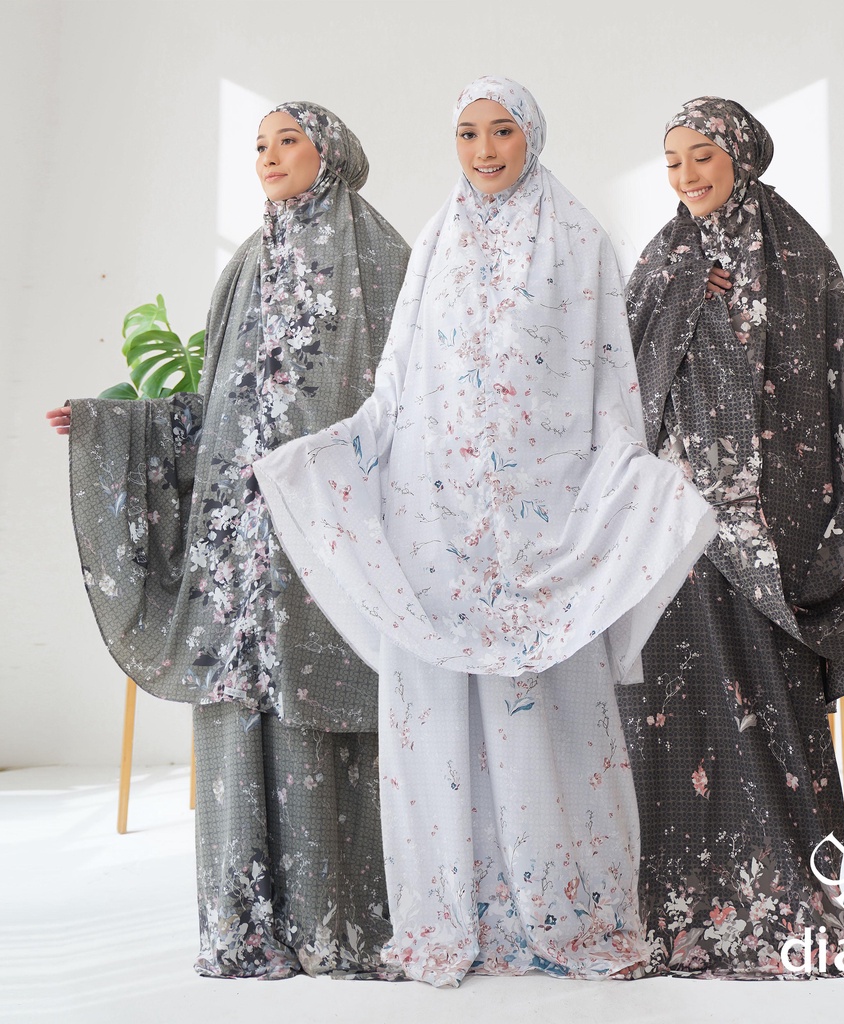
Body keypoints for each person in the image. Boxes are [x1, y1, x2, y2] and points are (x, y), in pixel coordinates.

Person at [252, 77, 717, 987]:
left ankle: (563, 911)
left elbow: (608, 382)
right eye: (468, 134)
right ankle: (450, 912)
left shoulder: (579, 239)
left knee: (547, 712)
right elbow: (398, 381)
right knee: (438, 711)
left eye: (502, 131)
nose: (484, 151)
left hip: (545, 526)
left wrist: (629, 480)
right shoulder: (436, 239)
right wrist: (336, 450)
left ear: (531, 136)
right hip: (436, 517)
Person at [616, 96, 844, 978]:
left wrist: (809, 505)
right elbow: (620, 375)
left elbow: (837, 387)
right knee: (660, 701)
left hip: (767, 523)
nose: (687, 175)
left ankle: (781, 893)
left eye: (702, 155)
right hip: (669, 525)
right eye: (673, 161)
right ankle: (659, 905)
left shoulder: (800, 256)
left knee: (770, 695)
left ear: (740, 154)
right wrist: (681, 298)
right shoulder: (664, 254)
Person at [46, 102, 411, 978]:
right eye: (259, 145)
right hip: (238, 544)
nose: (269, 157)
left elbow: (414, 404)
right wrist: (109, 425)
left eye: (289, 141)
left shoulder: (383, 256)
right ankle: (246, 926)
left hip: (329, 536)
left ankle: (334, 918)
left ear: (330, 152)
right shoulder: (247, 261)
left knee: (324, 699)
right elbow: (215, 414)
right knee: (240, 704)